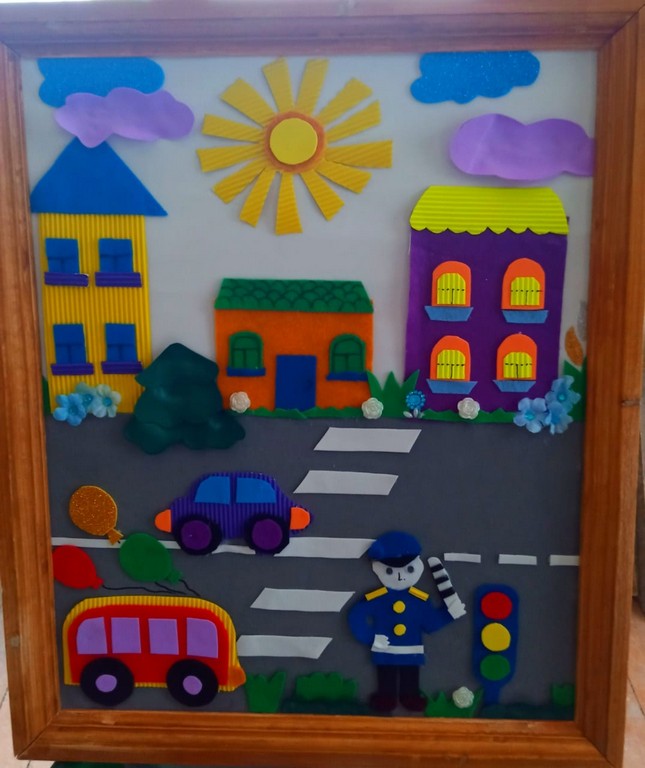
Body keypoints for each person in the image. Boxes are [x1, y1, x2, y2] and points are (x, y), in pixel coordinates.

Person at [347, 530, 466, 713]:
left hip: (411, 649)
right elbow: (356, 616)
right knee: (386, 675)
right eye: (390, 570)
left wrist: (450, 614)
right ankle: (385, 697)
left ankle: (410, 696)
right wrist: (371, 637)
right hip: (385, 648)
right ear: (377, 568)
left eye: (409, 569)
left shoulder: (419, 600)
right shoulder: (376, 598)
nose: (400, 576)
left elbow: (431, 623)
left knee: (410, 675)